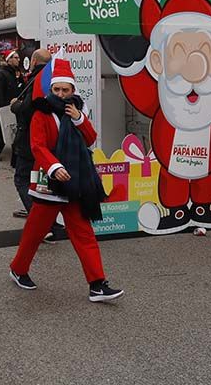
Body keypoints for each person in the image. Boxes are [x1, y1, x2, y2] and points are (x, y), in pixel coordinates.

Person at [9, 57, 125, 302]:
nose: (61, 94)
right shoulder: (41, 113)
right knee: (35, 232)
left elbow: (91, 139)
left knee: (84, 233)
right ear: (51, 89)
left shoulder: (76, 112)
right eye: (57, 89)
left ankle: (97, 284)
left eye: (65, 90)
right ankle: (18, 269)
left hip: (75, 182)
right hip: (48, 182)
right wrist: (54, 166)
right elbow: (37, 146)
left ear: (73, 90)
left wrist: (79, 119)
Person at [10, 47, 68, 251]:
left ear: (33, 62)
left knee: (23, 180)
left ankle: (44, 224)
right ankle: (50, 222)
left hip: (31, 141)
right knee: (42, 182)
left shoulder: (38, 80)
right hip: (50, 142)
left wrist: (15, 105)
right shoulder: (50, 78)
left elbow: (28, 109)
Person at [0, 51, 22, 169]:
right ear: (9, 59)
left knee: (14, 136)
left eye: (18, 57)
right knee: (0, 136)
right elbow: (0, 93)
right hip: (5, 109)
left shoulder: (15, 73)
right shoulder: (2, 74)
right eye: (16, 57)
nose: (18, 60)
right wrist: (4, 109)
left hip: (14, 108)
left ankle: (15, 162)